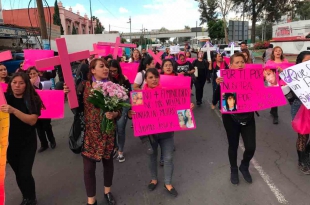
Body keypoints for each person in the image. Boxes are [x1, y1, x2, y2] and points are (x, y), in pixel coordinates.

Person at [128, 68, 194, 197]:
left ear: (160, 78)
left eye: (156, 77)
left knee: (168, 158)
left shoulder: (167, 92)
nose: (154, 79)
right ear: (145, 79)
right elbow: (134, 114)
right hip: (150, 134)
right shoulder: (139, 95)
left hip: (167, 132)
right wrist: (131, 114)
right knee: (152, 156)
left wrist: (188, 107)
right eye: (150, 77)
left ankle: (168, 183)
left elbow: (179, 107)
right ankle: (154, 179)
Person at [64, 58, 121, 205]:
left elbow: (119, 110)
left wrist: (114, 114)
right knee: (88, 169)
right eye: (102, 66)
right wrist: (68, 94)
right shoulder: (84, 86)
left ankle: (107, 192)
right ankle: (91, 200)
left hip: (108, 133)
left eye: (107, 66)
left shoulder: (113, 86)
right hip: (89, 134)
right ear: (93, 70)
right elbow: (76, 109)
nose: (106, 68)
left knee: (108, 164)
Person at [1, 72, 44, 205]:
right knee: (18, 174)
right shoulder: (5, 99)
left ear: (26, 85)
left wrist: (13, 111)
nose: (17, 86)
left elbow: (32, 120)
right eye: (14, 82)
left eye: (21, 83)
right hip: (10, 144)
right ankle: (26, 197)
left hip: (27, 142)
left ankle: (31, 198)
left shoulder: (33, 100)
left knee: (25, 172)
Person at [213, 53, 256, 185]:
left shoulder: (251, 77)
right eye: (236, 62)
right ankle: (233, 169)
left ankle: (244, 165)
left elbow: (263, 91)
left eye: (242, 62)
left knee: (251, 147)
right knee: (233, 145)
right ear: (230, 66)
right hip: (231, 118)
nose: (240, 65)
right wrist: (218, 85)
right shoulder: (224, 80)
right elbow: (216, 98)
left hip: (248, 116)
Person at [288, 51, 310, 174]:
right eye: (306, 61)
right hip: (300, 107)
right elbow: (293, 94)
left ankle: (306, 153)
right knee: (303, 135)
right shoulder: (294, 75)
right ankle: (302, 161)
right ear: (299, 63)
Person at [27, 67, 56, 153]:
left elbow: (50, 93)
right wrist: (30, 85)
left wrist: (45, 92)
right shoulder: (27, 84)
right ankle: (44, 144)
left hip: (45, 107)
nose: (33, 75)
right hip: (34, 108)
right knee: (38, 127)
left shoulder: (44, 81)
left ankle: (52, 141)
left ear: (37, 73)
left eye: (34, 73)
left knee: (46, 125)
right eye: (30, 74)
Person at [109, 60, 132, 163]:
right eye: (111, 71)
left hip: (123, 107)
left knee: (121, 129)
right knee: (112, 129)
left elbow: (130, 94)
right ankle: (115, 147)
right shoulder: (106, 80)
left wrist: (130, 108)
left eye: (114, 71)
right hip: (110, 107)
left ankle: (120, 151)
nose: (113, 73)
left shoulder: (124, 79)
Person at [265, 46, 288, 125]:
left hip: (283, 83)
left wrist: (282, 71)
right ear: (273, 53)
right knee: (276, 99)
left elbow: (289, 73)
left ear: (281, 52)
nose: (278, 52)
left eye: (279, 51)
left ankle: (272, 110)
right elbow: (265, 73)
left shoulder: (285, 61)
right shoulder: (269, 62)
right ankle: (275, 115)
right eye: (276, 51)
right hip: (273, 83)